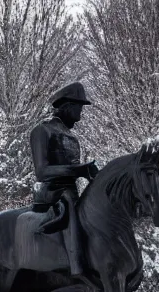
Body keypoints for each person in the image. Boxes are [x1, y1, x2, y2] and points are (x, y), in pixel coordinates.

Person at [30, 82, 99, 276]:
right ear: (67, 106)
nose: (81, 113)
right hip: (52, 193)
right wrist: (78, 170)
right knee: (69, 202)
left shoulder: (71, 137)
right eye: (79, 108)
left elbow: (75, 171)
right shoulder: (42, 131)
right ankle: (77, 265)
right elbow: (42, 172)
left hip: (71, 191)